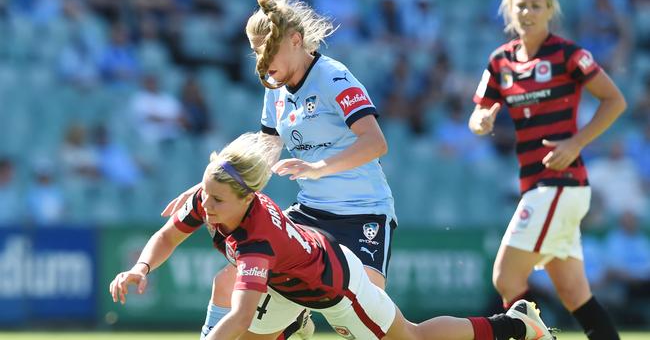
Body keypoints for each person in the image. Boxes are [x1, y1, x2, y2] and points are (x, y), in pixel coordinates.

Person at [110, 133, 555, 340]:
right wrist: (141, 266)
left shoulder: (256, 243)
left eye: (217, 201)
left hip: (336, 286)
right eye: (205, 194)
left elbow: (241, 316)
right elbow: (168, 235)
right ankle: (295, 325)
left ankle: (515, 325)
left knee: (411, 338)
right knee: (241, 318)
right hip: (291, 280)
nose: (206, 206)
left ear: (248, 198)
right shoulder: (215, 193)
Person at [162, 0, 397, 338]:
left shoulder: (334, 77)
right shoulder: (275, 91)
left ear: (296, 40)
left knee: (368, 326)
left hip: (363, 212)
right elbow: (264, 152)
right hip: (310, 213)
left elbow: (376, 143)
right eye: (256, 52)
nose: (262, 62)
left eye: (268, 51)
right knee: (233, 281)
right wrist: (205, 189)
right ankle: (294, 321)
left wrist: (320, 168)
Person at [468, 0, 626, 339]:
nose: (527, 12)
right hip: (538, 187)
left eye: (535, 5)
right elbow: (477, 116)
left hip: (560, 184)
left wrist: (576, 142)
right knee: (574, 294)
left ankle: (540, 336)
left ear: (549, 11)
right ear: (510, 10)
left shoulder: (568, 54)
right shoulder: (500, 61)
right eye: (521, 5)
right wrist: (482, 120)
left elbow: (615, 100)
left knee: (506, 278)